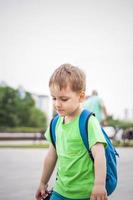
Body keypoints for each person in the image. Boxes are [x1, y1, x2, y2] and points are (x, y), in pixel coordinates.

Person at [35, 64, 108, 200]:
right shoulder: (55, 123)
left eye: (63, 99)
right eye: (54, 98)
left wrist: (99, 185)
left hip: (85, 194)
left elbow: (99, 155)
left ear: (81, 97)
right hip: (60, 191)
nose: (57, 104)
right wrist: (43, 182)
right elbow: (51, 155)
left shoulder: (88, 122)